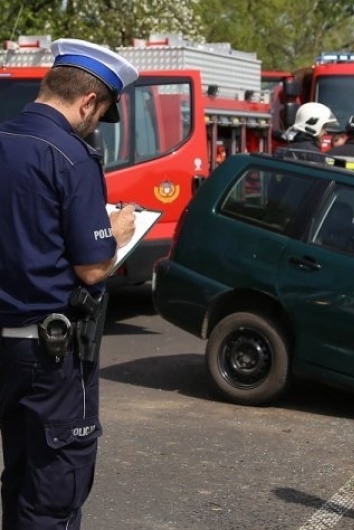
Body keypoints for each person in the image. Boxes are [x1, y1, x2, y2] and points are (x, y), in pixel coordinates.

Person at [0, 38, 138, 529]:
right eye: (99, 115)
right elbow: (94, 268)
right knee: (52, 494)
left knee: (15, 477)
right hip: (50, 356)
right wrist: (117, 233)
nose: (95, 125)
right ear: (88, 102)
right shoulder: (72, 156)